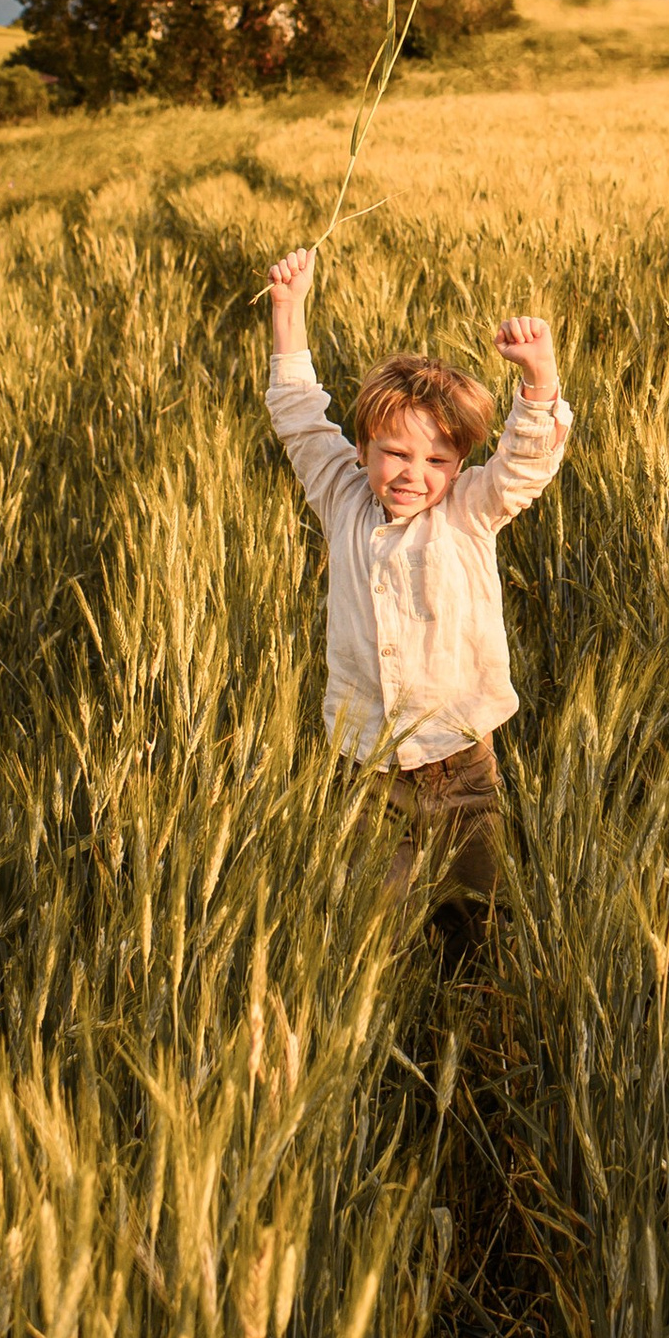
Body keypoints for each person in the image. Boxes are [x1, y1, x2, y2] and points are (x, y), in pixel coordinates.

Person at [263, 249, 570, 914]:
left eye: (436, 459)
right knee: (380, 918)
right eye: (395, 453)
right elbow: (298, 416)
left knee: (481, 908)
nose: (412, 473)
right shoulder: (340, 497)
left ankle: (479, 997)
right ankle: (401, 1002)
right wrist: (288, 308)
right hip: (368, 766)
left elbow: (525, 464)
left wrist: (539, 381)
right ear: (362, 448)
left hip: (462, 761)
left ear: (460, 463)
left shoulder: (470, 510)